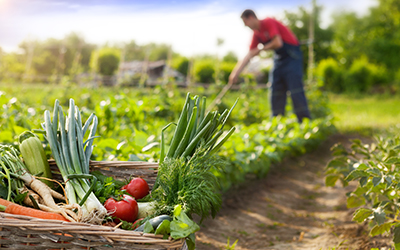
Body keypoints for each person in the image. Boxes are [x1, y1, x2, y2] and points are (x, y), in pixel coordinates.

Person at [229, 9, 311, 122]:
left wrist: (261, 49)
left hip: (292, 56)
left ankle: (305, 123)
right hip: (279, 59)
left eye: (245, 22)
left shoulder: (268, 22)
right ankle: (277, 124)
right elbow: (249, 54)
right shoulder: (256, 34)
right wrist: (235, 73)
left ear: (251, 17)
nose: (246, 25)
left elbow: (278, 42)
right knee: (275, 90)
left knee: (295, 90)